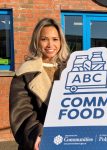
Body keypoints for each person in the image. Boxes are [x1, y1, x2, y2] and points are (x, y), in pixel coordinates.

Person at [9, 18, 70, 150]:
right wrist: (37, 133)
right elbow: (22, 112)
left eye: (55, 39)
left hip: (70, 140)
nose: (50, 45)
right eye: (44, 39)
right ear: (36, 41)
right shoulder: (25, 72)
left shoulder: (71, 69)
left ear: (61, 41)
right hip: (41, 142)